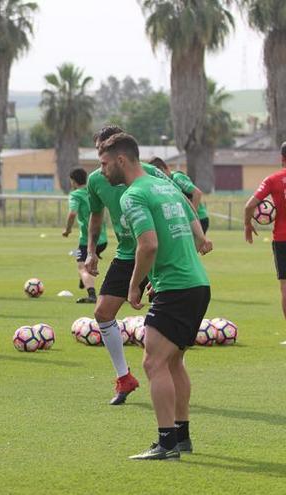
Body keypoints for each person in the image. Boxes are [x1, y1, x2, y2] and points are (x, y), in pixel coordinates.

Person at [98, 132, 211, 460]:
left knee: (153, 361)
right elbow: (193, 223)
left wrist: (134, 285)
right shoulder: (166, 187)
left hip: (176, 287)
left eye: (105, 164)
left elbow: (148, 245)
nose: (102, 171)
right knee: (174, 361)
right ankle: (182, 435)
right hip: (196, 283)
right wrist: (200, 243)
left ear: (121, 160)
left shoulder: (133, 195)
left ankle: (166, 443)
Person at [85, 124, 176, 405]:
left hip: (157, 254)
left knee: (166, 328)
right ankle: (125, 378)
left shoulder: (147, 173)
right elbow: (96, 217)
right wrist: (91, 251)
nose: (102, 160)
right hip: (127, 254)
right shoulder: (96, 180)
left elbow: (176, 201)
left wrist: (195, 236)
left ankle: (170, 377)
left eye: (105, 152)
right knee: (102, 312)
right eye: (99, 152)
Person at [244, 141, 286, 341]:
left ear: (281, 158)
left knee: (285, 287)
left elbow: (249, 206)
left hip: (282, 239)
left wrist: (247, 225)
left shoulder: (273, 179)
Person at [63, 167, 108, 303]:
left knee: (81, 266)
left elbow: (72, 213)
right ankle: (83, 279)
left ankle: (91, 294)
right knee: (77, 255)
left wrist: (67, 230)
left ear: (73, 181)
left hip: (88, 240)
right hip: (103, 239)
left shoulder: (75, 195)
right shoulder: (92, 191)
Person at [149, 157, 209, 233]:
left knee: (194, 244)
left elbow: (197, 193)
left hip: (200, 218)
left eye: (157, 175)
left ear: (162, 169)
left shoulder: (177, 178)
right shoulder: (167, 184)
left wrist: (191, 217)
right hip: (190, 220)